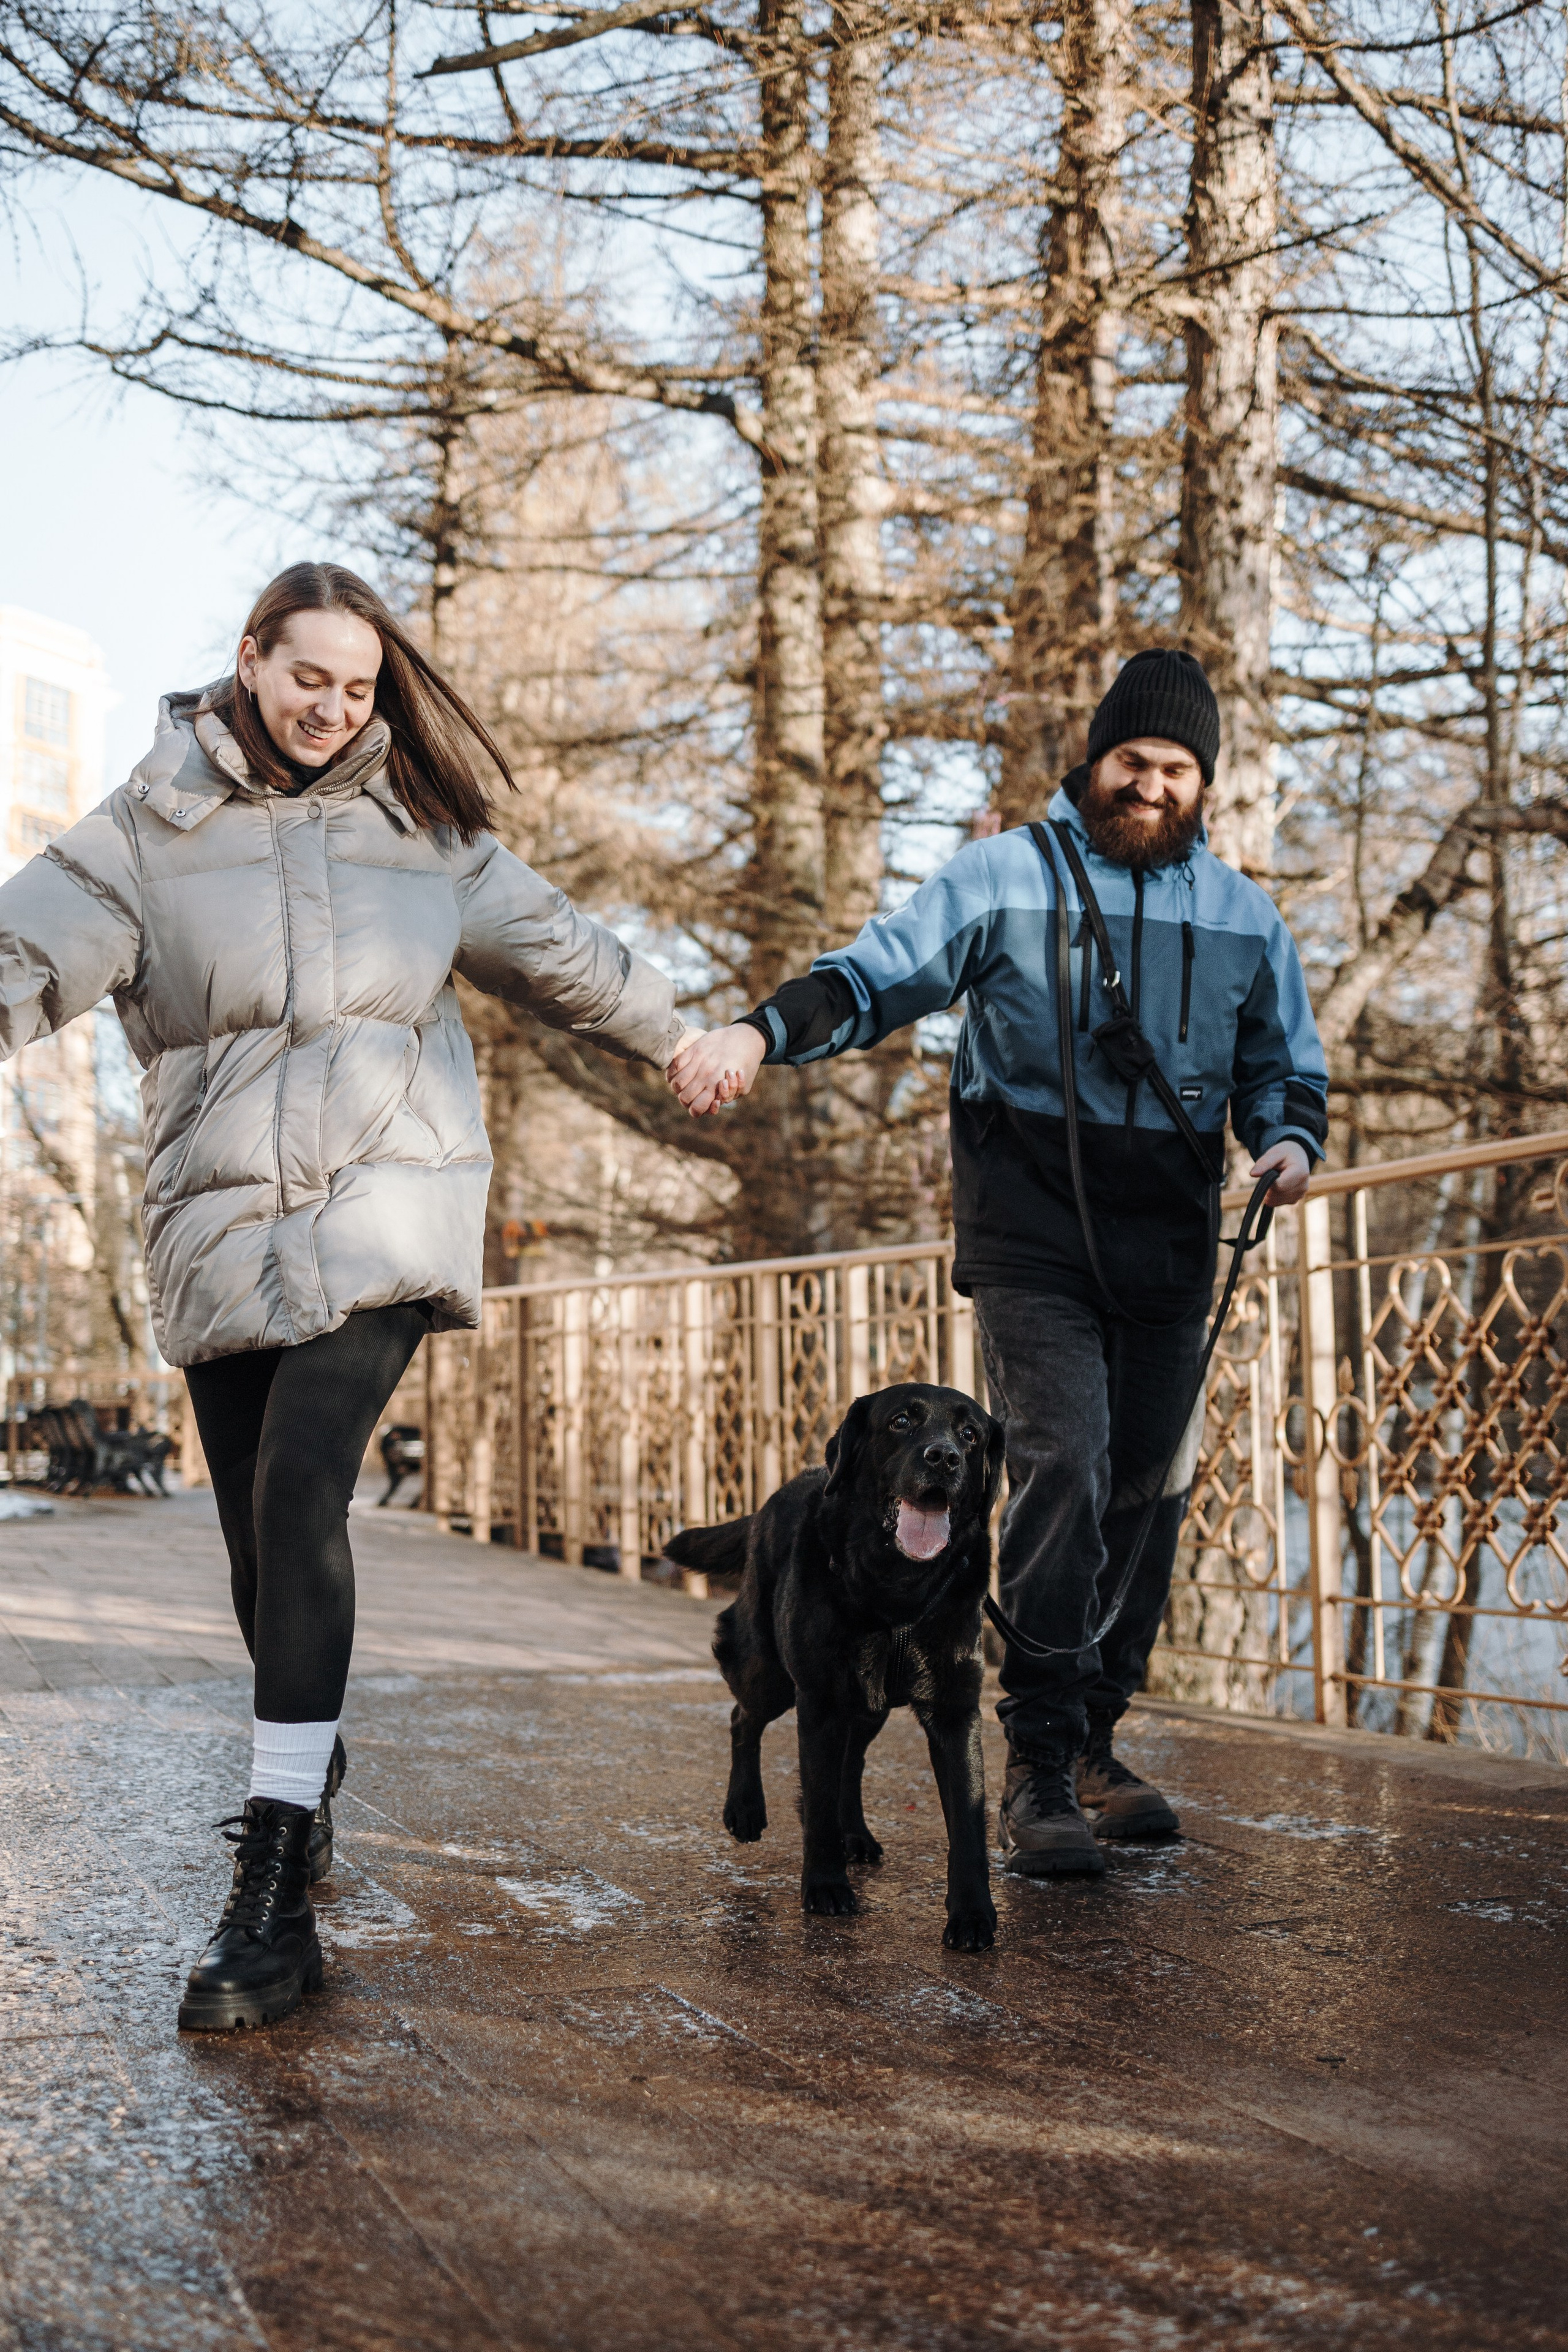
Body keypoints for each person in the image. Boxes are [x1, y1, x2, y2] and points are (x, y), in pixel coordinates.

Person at [0, 563, 688, 2029]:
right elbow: (25, 954)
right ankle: (303, 1784)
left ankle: (267, 1890)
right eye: (308, 675)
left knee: (306, 1486)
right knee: (257, 1526)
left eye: (359, 687)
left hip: (390, 1204)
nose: (331, 705)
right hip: (221, 1224)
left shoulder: (422, 835)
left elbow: (563, 955)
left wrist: (694, 1039)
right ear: (248, 661)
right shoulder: (145, 830)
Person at [668, 649, 1327, 1876]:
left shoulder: (1243, 917)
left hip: (1171, 1246)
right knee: (1063, 1457)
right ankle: (1032, 1762)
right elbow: (872, 980)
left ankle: (1089, 1737)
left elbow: (1281, 1067)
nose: (1151, 785)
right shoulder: (1001, 878)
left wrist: (1286, 1141)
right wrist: (757, 1034)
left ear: (1203, 784)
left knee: (1150, 1484)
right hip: (1031, 1236)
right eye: (1132, 760)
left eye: (1177, 769)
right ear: (1092, 758)